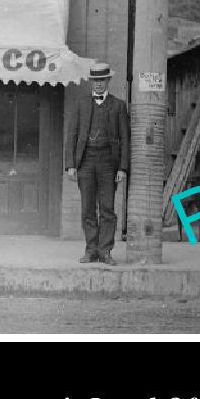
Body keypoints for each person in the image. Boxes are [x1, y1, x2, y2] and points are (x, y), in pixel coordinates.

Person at [64, 61, 130, 265]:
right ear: (91, 82)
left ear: (108, 80)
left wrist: (123, 168)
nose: (99, 84)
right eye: (95, 80)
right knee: (87, 209)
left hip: (108, 163)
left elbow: (125, 138)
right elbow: (72, 134)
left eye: (102, 80)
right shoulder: (81, 104)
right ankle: (91, 250)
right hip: (85, 162)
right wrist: (71, 165)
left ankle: (105, 251)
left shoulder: (118, 106)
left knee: (108, 208)